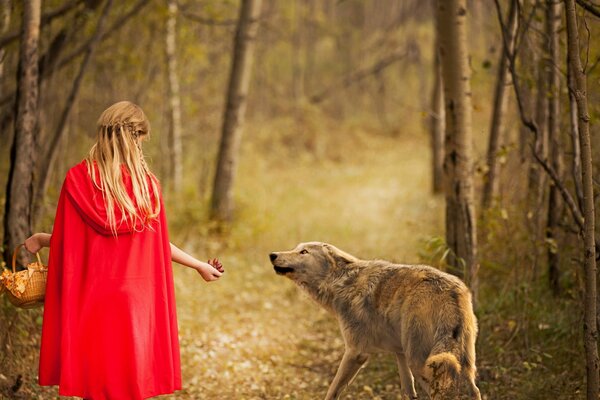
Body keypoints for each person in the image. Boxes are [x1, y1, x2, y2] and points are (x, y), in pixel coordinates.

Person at [24, 101, 223, 400]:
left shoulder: (78, 180)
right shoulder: (146, 188)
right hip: (134, 302)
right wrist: (198, 265)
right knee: (129, 385)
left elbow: (72, 241)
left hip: (92, 299)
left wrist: (41, 238)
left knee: (96, 383)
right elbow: (156, 244)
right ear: (134, 138)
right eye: (141, 142)